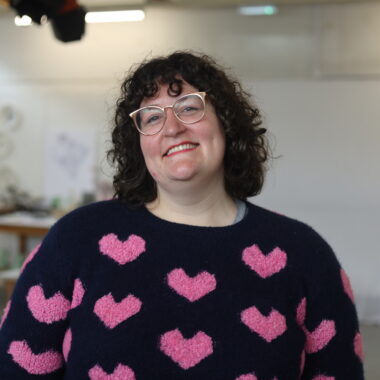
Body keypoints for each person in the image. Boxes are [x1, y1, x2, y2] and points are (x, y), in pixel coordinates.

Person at [0, 51, 364, 379]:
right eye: (151, 116)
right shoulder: (77, 238)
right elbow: (17, 367)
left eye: (189, 107)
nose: (171, 127)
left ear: (226, 123)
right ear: (138, 142)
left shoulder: (304, 254)